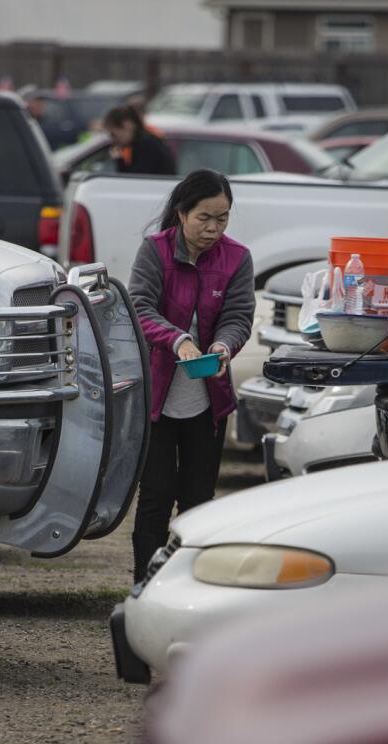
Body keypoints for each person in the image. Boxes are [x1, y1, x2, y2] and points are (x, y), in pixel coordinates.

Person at [128, 169, 254, 579]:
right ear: (182, 213)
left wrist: (222, 347)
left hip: (209, 399)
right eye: (205, 217)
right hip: (158, 399)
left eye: (223, 218)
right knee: (155, 498)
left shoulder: (237, 258)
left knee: (199, 501)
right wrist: (177, 339)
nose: (214, 229)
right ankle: (143, 588)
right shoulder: (155, 251)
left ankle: (186, 585)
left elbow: (238, 317)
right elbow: (139, 308)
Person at [103, 104, 176, 176]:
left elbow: (135, 179)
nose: (113, 140)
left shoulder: (148, 145)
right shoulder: (143, 143)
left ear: (127, 125)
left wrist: (120, 160)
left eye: (113, 134)